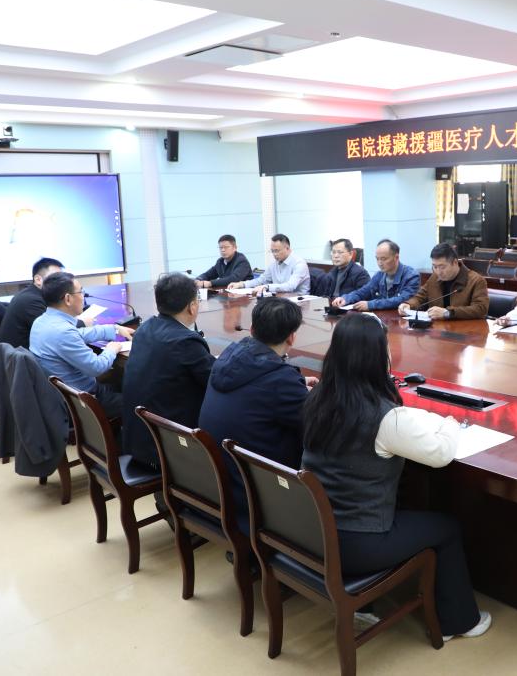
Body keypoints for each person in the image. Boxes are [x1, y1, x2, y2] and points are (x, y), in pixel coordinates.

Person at [301, 313, 491, 641]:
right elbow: (440, 454)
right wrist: (450, 422)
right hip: (358, 544)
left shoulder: (318, 398)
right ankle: (458, 622)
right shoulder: (384, 418)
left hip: (315, 529)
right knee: (446, 527)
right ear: (377, 359)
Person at [199, 297, 316, 532]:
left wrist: (296, 385)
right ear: (291, 337)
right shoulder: (281, 381)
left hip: (216, 481)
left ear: (252, 329)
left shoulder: (228, 356)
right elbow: (319, 428)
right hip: (254, 494)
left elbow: (260, 391)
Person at [122, 273, 214, 469]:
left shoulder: (145, 328)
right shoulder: (186, 341)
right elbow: (215, 381)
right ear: (192, 306)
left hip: (138, 438)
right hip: (165, 448)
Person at [29, 272, 135, 419]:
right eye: (81, 292)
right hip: (84, 403)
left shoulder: (42, 321)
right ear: (68, 299)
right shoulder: (62, 331)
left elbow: (79, 333)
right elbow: (96, 367)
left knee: (126, 383)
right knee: (139, 401)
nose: (83, 296)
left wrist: (115, 329)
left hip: (63, 397)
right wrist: (111, 349)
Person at [398, 242, 488, 320]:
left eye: (442, 267)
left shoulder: (476, 280)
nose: (438, 272)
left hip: (466, 330)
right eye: (435, 266)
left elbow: (480, 309)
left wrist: (448, 313)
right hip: (437, 329)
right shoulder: (434, 278)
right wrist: (408, 305)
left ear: (455, 262)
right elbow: (420, 297)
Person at [0, 257, 65, 349]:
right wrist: (82, 322)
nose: (61, 283)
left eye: (61, 278)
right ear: (38, 279)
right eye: (55, 278)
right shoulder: (31, 300)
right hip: (19, 357)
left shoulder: (34, 294)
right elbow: (56, 332)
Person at [333, 239, 420, 311]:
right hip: (382, 319)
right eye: (377, 259)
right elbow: (362, 292)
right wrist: (345, 299)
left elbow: (402, 299)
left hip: (401, 321)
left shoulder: (411, 275)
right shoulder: (379, 275)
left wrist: (371, 304)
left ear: (396, 257)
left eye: (383, 259)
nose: (379, 263)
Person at [228, 233, 309, 295]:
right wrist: (242, 284)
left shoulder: (299, 263)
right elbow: (261, 280)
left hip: (300, 301)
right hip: (281, 299)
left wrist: (267, 287)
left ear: (287, 248)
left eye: (277, 251)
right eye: (272, 251)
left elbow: (290, 286)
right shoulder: (274, 264)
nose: (274, 254)